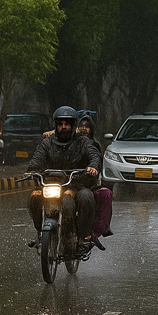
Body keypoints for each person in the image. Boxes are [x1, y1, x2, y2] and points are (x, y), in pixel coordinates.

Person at [26, 106, 101, 253]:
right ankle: (40, 234)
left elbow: (94, 154)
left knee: (86, 197)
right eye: (60, 124)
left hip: (75, 184)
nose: (63, 127)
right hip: (51, 184)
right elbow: (38, 158)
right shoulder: (48, 143)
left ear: (73, 126)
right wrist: (31, 170)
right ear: (56, 125)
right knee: (34, 196)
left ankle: (83, 238)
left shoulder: (83, 142)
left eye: (67, 124)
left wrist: (93, 166)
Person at [75, 114, 114, 250]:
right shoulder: (67, 142)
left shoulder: (93, 145)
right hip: (66, 184)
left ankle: (93, 233)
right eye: (81, 126)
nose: (84, 129)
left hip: (86, 185)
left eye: (87, 127)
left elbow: (96, 159)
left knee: (105, 194)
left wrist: (92, 169)